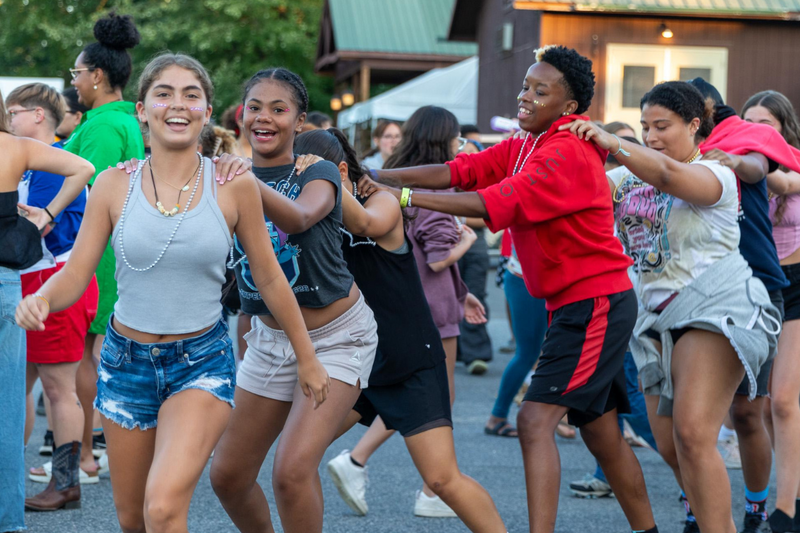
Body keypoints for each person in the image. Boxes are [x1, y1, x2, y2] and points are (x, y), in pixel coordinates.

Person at [17, 53, 322, 533]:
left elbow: (267, 276)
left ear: (206, 110)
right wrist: (43, 299)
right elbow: (77, 272)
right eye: (164, 94)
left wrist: (307, 357)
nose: (177, 105)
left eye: (191, 95)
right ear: (142, 109)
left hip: (200, 364)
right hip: (122, 365)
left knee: (162, 509)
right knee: (134, 519)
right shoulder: (113, 185)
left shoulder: (232, 183)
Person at [361, 45, 658, 533]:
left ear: (568, 107)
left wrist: (404, 196)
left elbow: (493, 202)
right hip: (576, 304)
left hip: (595, 303)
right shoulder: (527, 142)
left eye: (541, 91)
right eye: (525, 85)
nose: (526, 96)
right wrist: (377, 175)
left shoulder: (566, 150)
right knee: (603, 436)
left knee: (533, 421)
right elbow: (462, 172)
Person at [561, 81, 781, 533]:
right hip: (655, 319)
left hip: (715, 307)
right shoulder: (623, 179)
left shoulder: (716, 174)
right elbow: (569, 193)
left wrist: (613, 141)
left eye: (662, 125)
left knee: (695, 434)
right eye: (644, 126)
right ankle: (704, 517)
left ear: (695, 124)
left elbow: (666, 175)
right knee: (670, 444)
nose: (651, 135)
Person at [292, 127, 506, 532]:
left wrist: (331, 184)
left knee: (442, 479)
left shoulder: (382, 201)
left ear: (339, 172)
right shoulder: (309, 211)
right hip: (354, 360)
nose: (302, 190)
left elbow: (367, 225)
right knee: (295, 461)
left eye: (308, 179)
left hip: (408, 359)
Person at [207, 68, 378, 533]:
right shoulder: (223, 179)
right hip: (269, 340)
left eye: (278, 109)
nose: (264, 118)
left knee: (291, 471)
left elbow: (301, 218)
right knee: (227, 475)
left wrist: (243, 178)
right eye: (255, 108)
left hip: (338, 338)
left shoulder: (316, 170)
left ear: (300, 121)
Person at [325, 106, 480, 518]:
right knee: (432, 399)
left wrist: (463, 290)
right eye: (456, 140)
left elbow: (385, 241)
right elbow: (434, 258)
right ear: (443, 138)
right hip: (403, 328)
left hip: (400, 320)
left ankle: (403, 478)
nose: (458, 146)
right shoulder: (420, 188)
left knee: (408, 406)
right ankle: (374, 467)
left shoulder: (384, 186)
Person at [689, 78, 789, 533]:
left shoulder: (750, 142)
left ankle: (763, 507)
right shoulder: (685, 147)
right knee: (698, 416)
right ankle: (700, 507)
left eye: (762, 124)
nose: (750, 128)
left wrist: (731, 159)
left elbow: (758, 168)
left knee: (760, 408)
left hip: (763, 286)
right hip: (701, 288)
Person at [0, 89, 94, 529]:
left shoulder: (45, 159)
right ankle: (18, 488)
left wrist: (44, 215)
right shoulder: (29, 154)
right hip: (32, 282)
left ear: (37, 114)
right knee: (19, 392)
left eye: (15, 112)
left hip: (53, 281)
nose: (10, 118)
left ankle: (65, 481)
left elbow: (57, 228)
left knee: (58, 389)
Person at [61, 12, 145, 477]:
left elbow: (84, 191)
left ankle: (87, 453)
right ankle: (92, 452)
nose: (74, 82)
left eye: (77, 73)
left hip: (97, 254)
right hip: (114, 250)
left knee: (85, 355)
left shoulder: (101, 127)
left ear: (96, 75)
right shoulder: (121, 120)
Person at [742, 90, 800, 533]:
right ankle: (790, 489)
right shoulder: (737, 166)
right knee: (758, 409)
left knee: (783, 401)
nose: (759, 131)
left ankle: (786, 509)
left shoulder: (791, 163)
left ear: (784, 129)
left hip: (797, 285)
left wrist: (750, 159)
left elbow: (781, 184)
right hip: (755, 285)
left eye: (768, 125)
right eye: (750, 123)